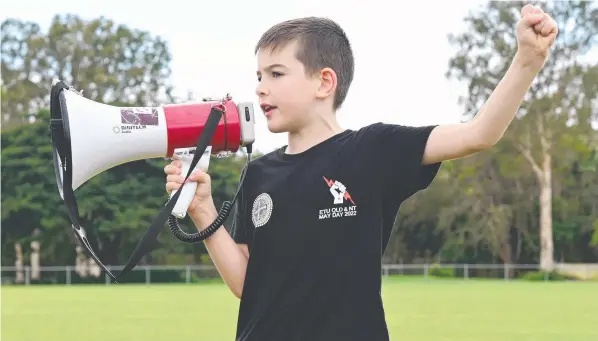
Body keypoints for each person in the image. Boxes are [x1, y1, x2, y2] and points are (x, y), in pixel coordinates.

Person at [164, 4, 558, 341]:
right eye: (259, 76)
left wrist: (527, 61)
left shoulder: (372, 150)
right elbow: (247, 285)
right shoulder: (258, 175)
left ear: (324, 82)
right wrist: (203, 210)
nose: (261, 88)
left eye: (276, 73)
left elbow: (479, 134)